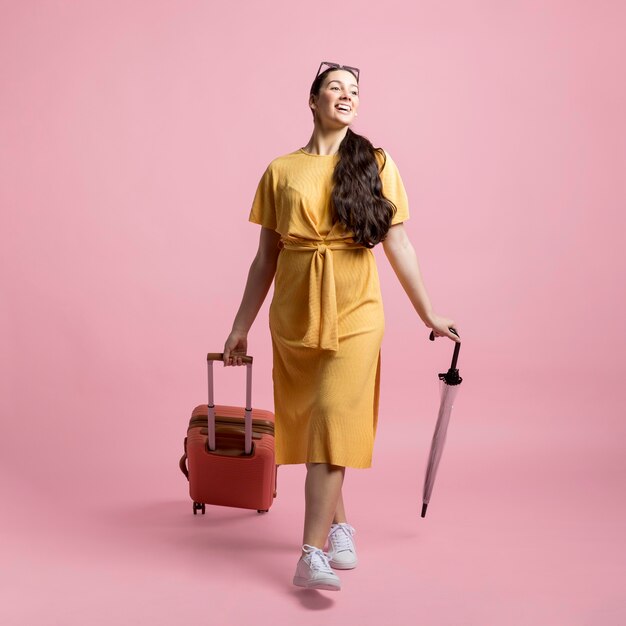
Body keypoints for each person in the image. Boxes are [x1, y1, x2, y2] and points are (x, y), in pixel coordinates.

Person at [222, 61, 460, 592]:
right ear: (313, 100)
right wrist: (240, 327)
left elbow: (398, 242)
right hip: (295, 311)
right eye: (336, 88)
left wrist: (428, 312)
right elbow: (264, 259)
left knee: (332, 415)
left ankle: (310, 553)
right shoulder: (280, 170)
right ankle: (342, 527)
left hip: (356, 310)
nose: (346, 96)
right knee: (313, 424)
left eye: (354, 90)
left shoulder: (374, 161)